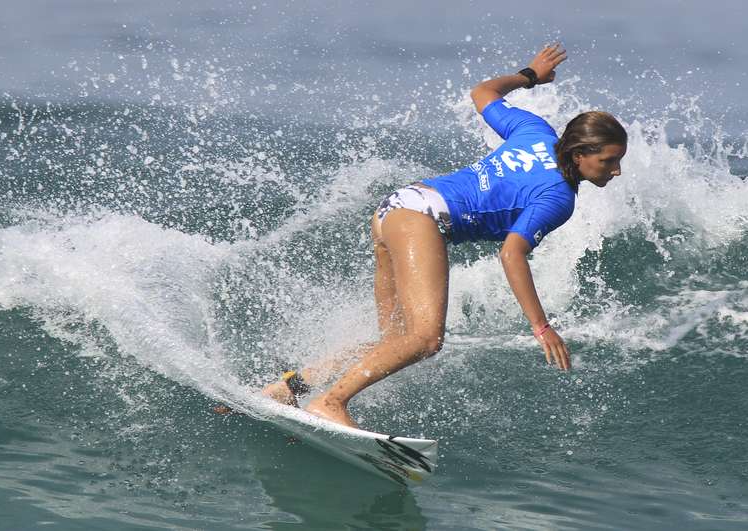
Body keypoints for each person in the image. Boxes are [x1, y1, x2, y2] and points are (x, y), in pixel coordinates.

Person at [260, 44, 628, 428]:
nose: (615, 170)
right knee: (425, 340)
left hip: (397, 207)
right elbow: (512, 254)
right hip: (421, 220)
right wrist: (542, 326)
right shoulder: (557, 196)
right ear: (579, 154)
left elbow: (482, 93)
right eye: (608, 160)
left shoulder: (535, 130)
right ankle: (331, 402)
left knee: (395, 339)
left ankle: (290, 388)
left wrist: (530, 75)